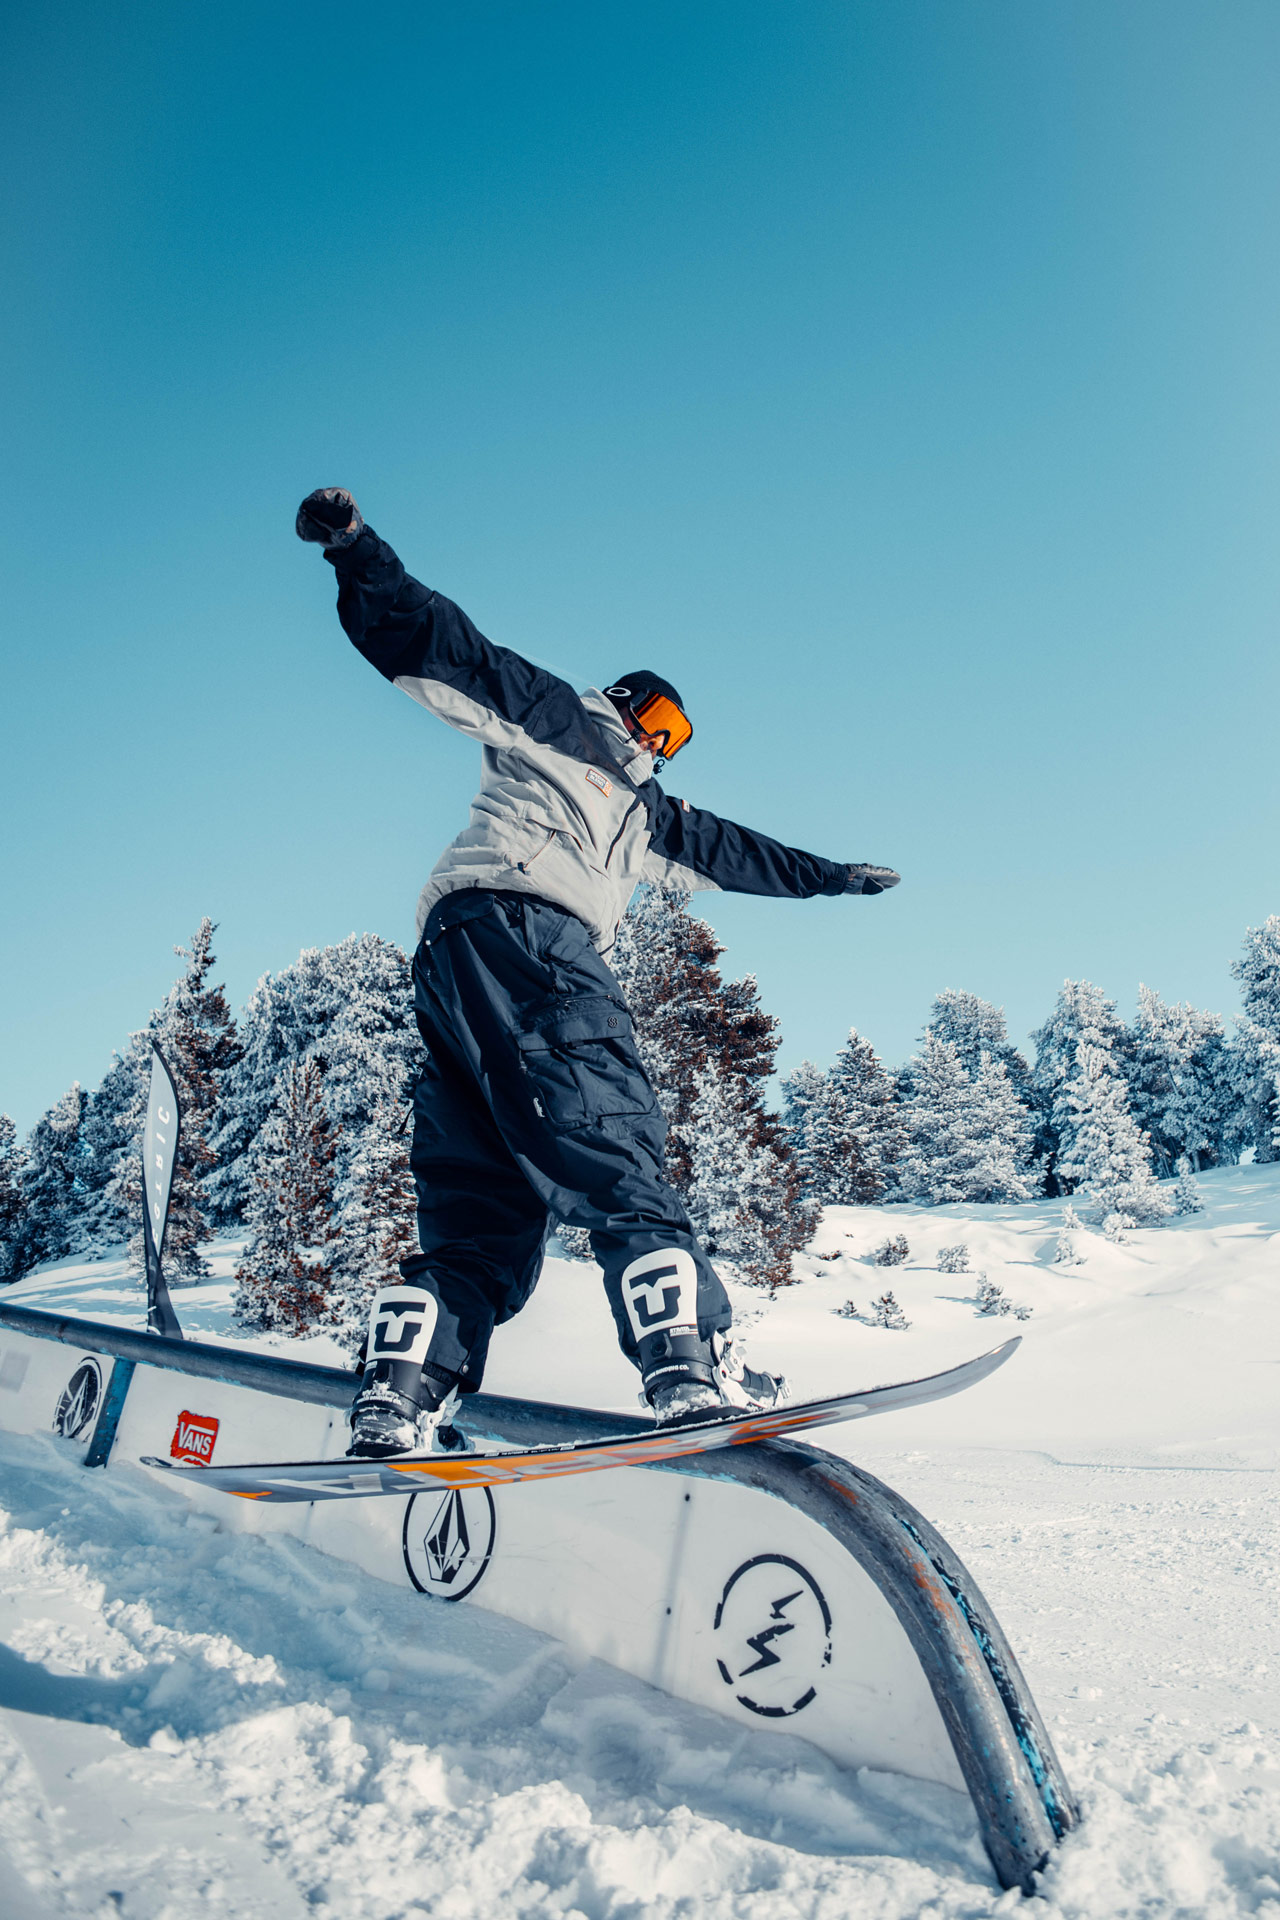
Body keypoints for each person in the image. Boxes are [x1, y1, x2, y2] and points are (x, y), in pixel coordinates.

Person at [296, 487, 901, 1456]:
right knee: (611, 1149)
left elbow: (738, 853)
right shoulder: (563, 724)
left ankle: (398, 1392)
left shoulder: (642, 815)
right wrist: (358, 553)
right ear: (628, 707)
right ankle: (684, 1367)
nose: (661, 748)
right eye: (660, 724)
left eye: (676, 743)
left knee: (478, 1204)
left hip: (453, 967)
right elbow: (444, 646)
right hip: (531, 941)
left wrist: (829, 878)